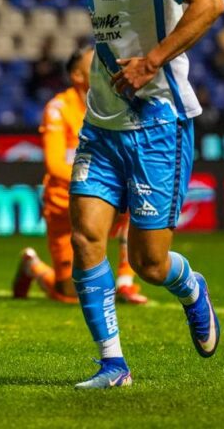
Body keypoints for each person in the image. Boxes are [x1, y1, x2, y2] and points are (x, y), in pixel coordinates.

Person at [37, 0, 224, 388]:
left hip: (158, 125)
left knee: (148, 263)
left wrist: (151, 62)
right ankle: (113, 364)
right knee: (87, 237)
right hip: (103, 124)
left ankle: (190, 287)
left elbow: (210, 1)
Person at [13, 47, 147, 305]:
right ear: (77, 75)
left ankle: (125, 283)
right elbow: (54, 165)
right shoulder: (58, 108)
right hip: (64, 203)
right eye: (94, 63)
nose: (104, 66)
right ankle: (32, 266)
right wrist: (97, 184)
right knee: (70, 294)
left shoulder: (116, 104)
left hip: (103, 197)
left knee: (139, 196)